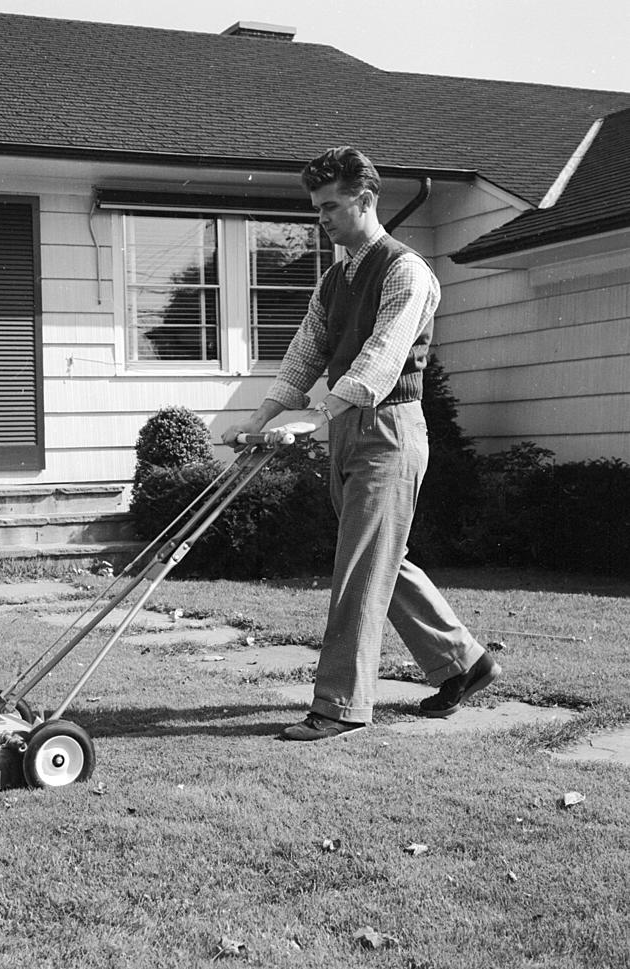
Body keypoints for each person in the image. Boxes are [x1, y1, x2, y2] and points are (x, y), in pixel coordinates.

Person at [222, 146, 500, 741]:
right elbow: (304, 355)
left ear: (366, 200)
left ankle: (340, 707)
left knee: (358, 568)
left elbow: (379, 362)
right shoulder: (336, 277)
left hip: (390, 429)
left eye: (330, 206)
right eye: (317, 208)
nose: (320, 218)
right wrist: (261, 418)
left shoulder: (407, 271)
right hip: (349, 431)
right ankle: (465, 663)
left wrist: (313, 418)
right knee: (381, 560)